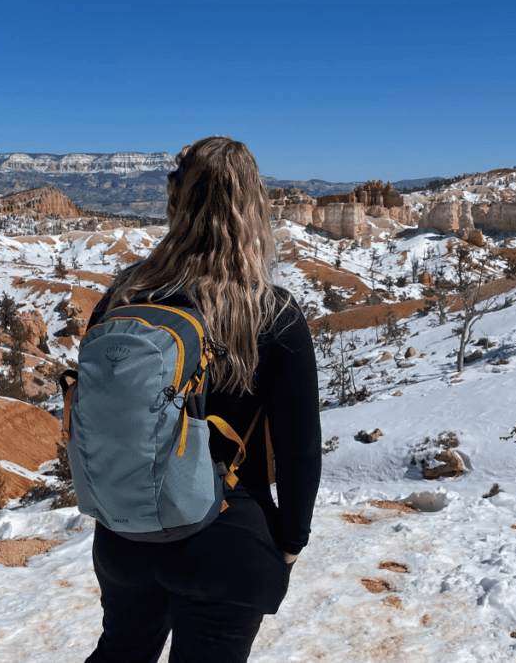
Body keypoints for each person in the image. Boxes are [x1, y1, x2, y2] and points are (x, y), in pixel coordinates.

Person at [83, 136, 322, 663]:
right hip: (227, 537)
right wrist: (290, 542)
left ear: (175, 199)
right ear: (254, 205)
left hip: (125, 536)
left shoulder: (123, 295)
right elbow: (300, 450)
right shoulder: (271, 312)